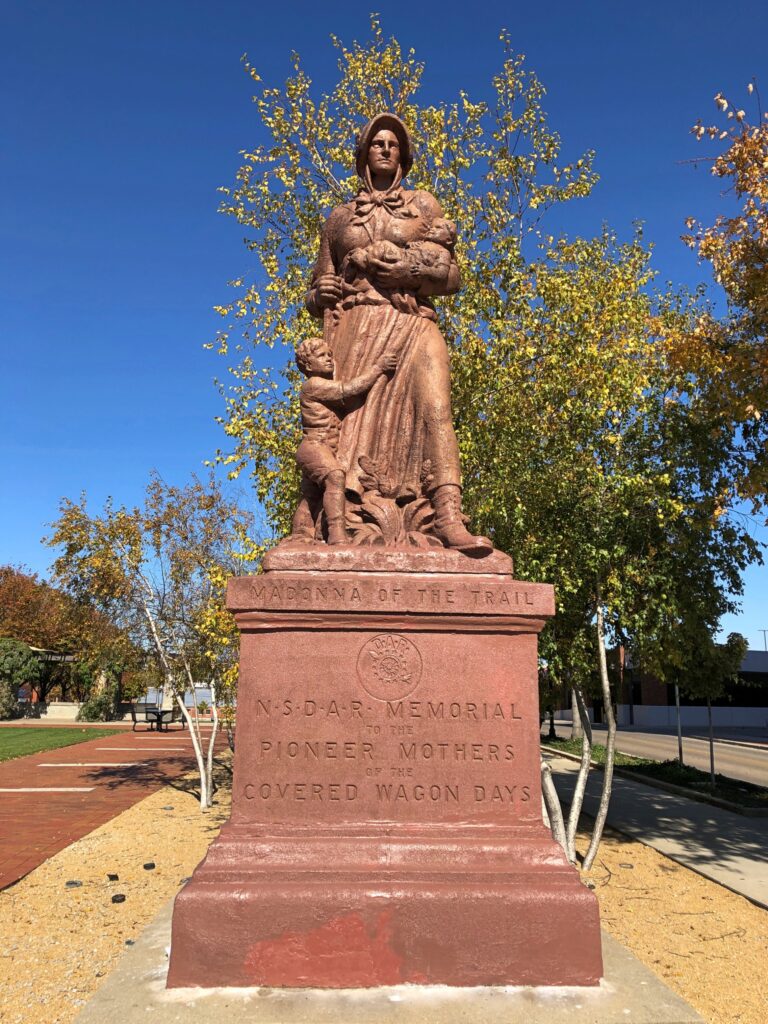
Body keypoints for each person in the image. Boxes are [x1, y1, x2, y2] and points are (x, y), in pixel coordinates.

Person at [304, 112, 492, 555]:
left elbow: (452, 277)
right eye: (377, 142)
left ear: (403, 155)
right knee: (341, 431)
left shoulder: (423, 205)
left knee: (436, 407)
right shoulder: (339, 219)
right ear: (364, 154)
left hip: (413, 320)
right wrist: (319, 293)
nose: (386, 148)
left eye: (393, 143)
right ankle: (330, 525)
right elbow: (317, 289)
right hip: (357, 329)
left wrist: (407, 270)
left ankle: (447, 516)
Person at [291, 337, 397, 544]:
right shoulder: (313, 385)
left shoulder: (323, 386)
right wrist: (378, 368)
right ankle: (336, 533)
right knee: (336, 476)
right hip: (314, 446)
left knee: (311, 497)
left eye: (329, 355)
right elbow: (347, 390)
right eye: (321, 356)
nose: (328, 359)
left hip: (325, 448)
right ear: (308, 365)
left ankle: (300, 534)